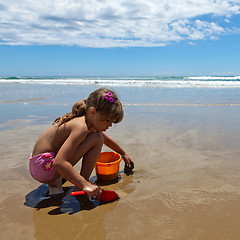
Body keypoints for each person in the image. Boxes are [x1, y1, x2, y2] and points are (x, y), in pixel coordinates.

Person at [29, 88, 134, 198]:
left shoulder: (86, 121)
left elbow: (106, 140)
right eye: (107, 120)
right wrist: (85, 184)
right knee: (97, 139)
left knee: (97, 137)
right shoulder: (81, 127)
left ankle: (58, 180)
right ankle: (77, 183)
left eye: (112, 122)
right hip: (44, 168)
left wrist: (123, 154)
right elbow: (59, 162)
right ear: (92, 112)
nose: (110, 125)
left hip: (39, 165)